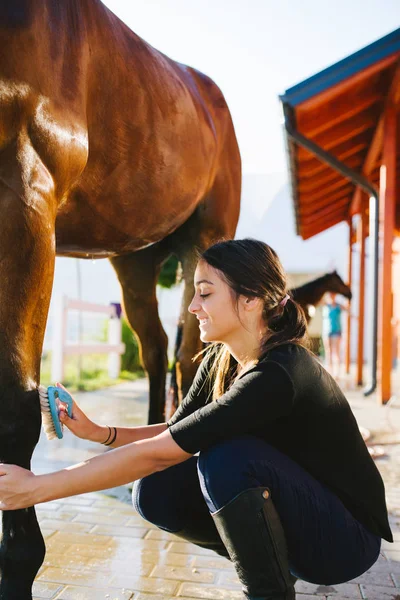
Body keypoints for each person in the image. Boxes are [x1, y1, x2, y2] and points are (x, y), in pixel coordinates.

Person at [0, 239, 392, 600]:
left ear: (252, 299)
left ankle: (268, 592)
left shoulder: (279, 374)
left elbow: (161, 452)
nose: (192, 306)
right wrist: (98, 432)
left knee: (226, 461)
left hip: (345, 540)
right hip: (304, 519)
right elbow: (177, 433)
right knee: (155, 490)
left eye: (205, 293)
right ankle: (273, 569)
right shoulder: (223, 359)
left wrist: (38, 489)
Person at [322, 292, 346, 377]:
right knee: (328, 352)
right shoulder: (326, 305)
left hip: (336, 331)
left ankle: (337, 373)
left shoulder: (338, 306)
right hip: (327, 331)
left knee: (336, 352)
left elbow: (347, 309)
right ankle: (329, 372)